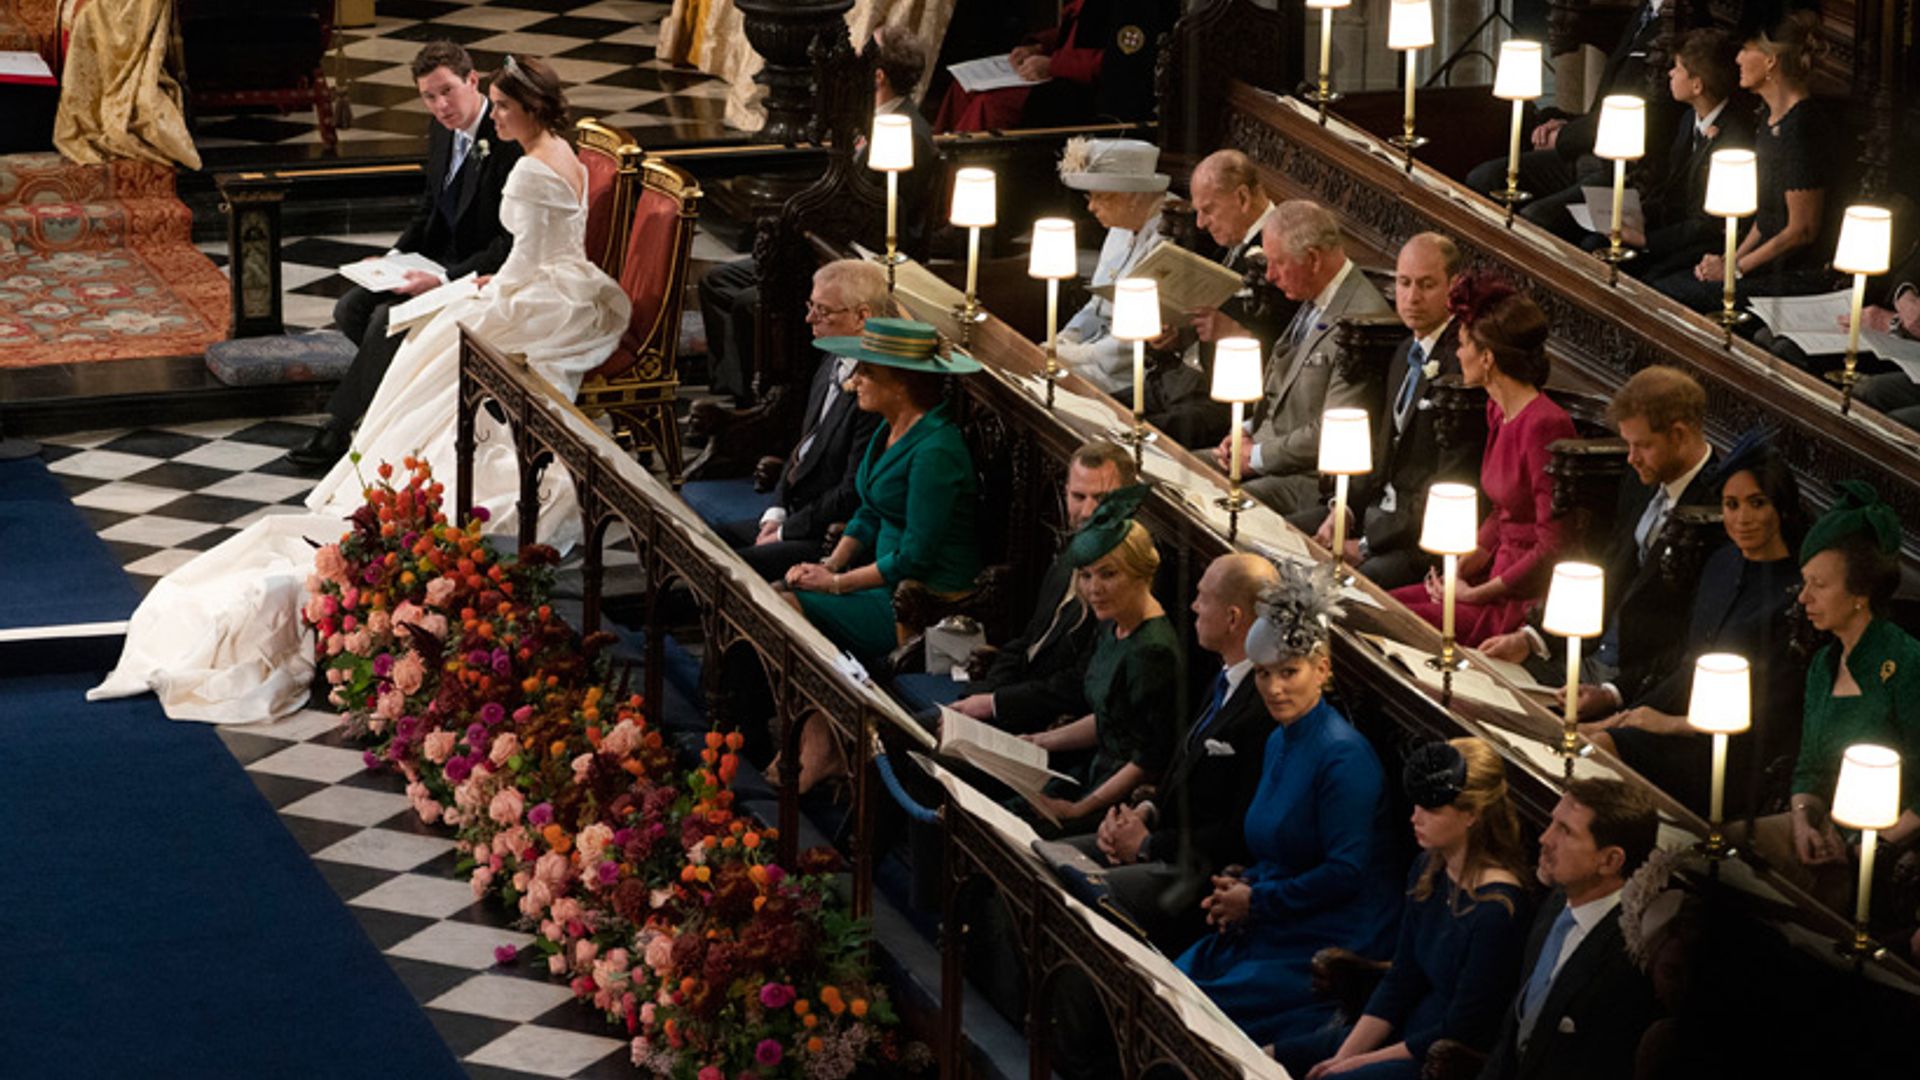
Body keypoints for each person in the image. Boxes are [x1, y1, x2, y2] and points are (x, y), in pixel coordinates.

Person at [93, 56, 631, 723]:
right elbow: (468, 227)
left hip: (534, 290)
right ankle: (361, 431)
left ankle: (372, 444)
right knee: (403, 320)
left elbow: (522, 258)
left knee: (434, 336)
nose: (492, 114)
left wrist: (471, 287)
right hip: (546, 285)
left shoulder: (526, 163)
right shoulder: (557, 152)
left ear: (520, 105)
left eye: (496, 102)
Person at [1176, 561, 1402, 1047]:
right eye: (1262, 675)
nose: (1274, 688)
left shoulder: (1343, 757)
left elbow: (1347, 873)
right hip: (1276, 916)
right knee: (1173, 979)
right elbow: (1276, 847)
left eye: (1289, 672)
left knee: (1198, 1000)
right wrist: (1242, 882)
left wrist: (1256, 900)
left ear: (1322, 668)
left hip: (1330, 934)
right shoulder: (1279, 740)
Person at [290, 41, 521, 469]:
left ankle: (338, 427)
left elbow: (508, 244)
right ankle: (408, 407)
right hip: (436, 262)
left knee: (386, 321)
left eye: (448, 91)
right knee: (350, 309)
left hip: (481, 275)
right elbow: (430, 208)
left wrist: (444, 281)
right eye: (429, 97)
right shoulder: (440, 130)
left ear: (474, 81)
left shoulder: (507, 139)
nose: (440, 106)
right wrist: (392, 257)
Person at [697, 28, 934, 403]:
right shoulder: (869, 117)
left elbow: (886, 216)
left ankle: (751, 403)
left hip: (852, 260)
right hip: (824, 246)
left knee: (749, 302)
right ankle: (728, 388)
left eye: (863, 56)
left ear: (877, 76)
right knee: (717, 283)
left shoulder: (908, 132)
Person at [1272, 739, 1530, 1080]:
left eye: (1432, 810)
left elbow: (1462, 1028)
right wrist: (1345, 1054)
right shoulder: (1428, 868)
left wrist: (1354, 1065)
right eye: (1416, 805)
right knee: (1273, 1055)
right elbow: (1402, 978)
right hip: (1402, 1029)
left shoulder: (1498, 911)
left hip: (1436, 1057)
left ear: (1472, 815)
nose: (1414, 817)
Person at [1060, 552, 1280, 950]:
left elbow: (1237, 831)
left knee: (1080, 893)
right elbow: (1182, 767)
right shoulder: (1223, 678)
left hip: (1192, 871)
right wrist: (1144, 812)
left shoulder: (1263, 709)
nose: (1193, 606)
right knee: (1047, 857)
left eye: (1203, 598)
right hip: (1158, 834)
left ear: (1233, 618)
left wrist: (1146, 845)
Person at [1581, 433, 1806, 818]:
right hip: (1678, 726)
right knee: (1585, 738)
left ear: (1780, 508)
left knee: (1601, 747)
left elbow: (1770, 710)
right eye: (1731, 505)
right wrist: (1622, 710)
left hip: (1729, 754)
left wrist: (1665, 725)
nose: (1742, 519)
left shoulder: (1796, 594)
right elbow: (1688, 663)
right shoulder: (1720, 563)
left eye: (1757, 504)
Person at [1479, 365, 1716, 705]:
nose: (1631, 458)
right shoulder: (1641, 478)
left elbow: (1688, 640)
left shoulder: (1715, 508)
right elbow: (1608, 568)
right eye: (1628, 445)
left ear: (1679, 435)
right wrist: (1532, 637)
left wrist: (1612, 694)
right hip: (1583, 655)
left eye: (1642, 446)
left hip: (1635, 686)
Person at [1747, 482, 1920, 912]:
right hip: (1821, 832)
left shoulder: (1906, 662)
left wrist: (1875, 843)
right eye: (1804, 583)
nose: (1803, 598)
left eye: (1818, 586)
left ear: (1861, 594)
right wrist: (1804, 820)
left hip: (1877, 849)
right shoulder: (1824, 664)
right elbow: (1808, 767)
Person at [782, 318, 981, 666]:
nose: (853, 381)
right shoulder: (889, 430)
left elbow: (914, 556)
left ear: (900, 385)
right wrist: (829, 564)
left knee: (784, 606)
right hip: (878, 583)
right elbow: (870, 511)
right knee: (775, 596)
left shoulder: (936, 452)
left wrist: (836, 583)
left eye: (867, 373)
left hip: (918, 603)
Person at [1390, 276, 1575, 646]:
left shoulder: (1546, 424)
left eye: (1461, 345)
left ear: (1487, 358)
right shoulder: (1496, 409)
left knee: (1396, 625)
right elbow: (1500, 513)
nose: (1457, 355)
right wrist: (1460, 565)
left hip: (1515, 597)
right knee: (1379, 605)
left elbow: (1552, 545)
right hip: (1488, 576)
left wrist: (1478, 593)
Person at [914, 440, 1134, 728]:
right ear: (1065, 494)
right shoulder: (1070, 555)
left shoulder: (1127, 582)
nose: (1088, 512)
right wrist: (988, 691)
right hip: (1010, 700)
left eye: (1102, 499)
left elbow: (1079, 684)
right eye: (1079, 497)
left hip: (1048, 723)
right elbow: (1027, 640)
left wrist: (995, 704)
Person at [1298, 232, 1471, 590]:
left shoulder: (1460, 365)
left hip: (1414, 539)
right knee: (1287, 536)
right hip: (1375, 514)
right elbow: (1381, 449)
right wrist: (1342, 510)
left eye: (1426, 285)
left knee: (1349, 586)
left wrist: (1364, 545)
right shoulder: (1404, 349)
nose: (1411, 298)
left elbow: (1443, 482)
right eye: (1404, 283)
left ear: (1453, 287)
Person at [1019, 486, 1183, 837]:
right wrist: (1038, 742)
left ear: (1143, 574)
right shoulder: (1114, 624)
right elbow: (1110, 717)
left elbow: (1148, 760)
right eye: (1087, 575)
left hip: (1113, 800)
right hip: (1090, 771)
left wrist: (1080, 809)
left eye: (1109, 574)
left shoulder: (1152, 651)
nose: (1093, 589)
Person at [711, 260, 888, 580]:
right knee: (707, 539)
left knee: (728, 572)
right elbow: (802, 446)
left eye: (822, 310)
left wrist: (784, 532)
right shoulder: (831, 358)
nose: (809, 318)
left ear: (862, 316)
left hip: (827, 534)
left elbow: (850, 493)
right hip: (794, 513)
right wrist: (776, 513)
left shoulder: (875, 390)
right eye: (811, 305)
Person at [1648, 12, 1835, 313]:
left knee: (1667, 295)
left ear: (1770, 60)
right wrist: (1730, 261)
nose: (1737, 59)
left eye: (1746, 50)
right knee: (1657, 284)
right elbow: (1765, 220)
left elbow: (1801, 230)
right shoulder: (1770, 118)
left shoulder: (1802, 127)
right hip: (1762, 260)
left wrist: (1736, 271)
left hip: (1794, 272)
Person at [1477, 779, 1662, 1080]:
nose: (1545, 839)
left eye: (1565, 831)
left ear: (1610, 860)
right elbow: (1514, 1036)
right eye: (1552, 823)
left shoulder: (1626, 956)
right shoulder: (1555, 904)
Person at [1216, 200, 1392, 515]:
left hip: (1308, 478)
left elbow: (1331, 430)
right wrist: (1244, 428)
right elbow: (1282, 391)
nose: (1269, 275)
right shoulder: (1314, 294)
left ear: (1311, 259)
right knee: (1171, 467)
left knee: (1226, 508)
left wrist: (1255, 456)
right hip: (1265, 450)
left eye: (1277, 263)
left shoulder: (1362, 320)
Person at [1464, 0, 1675, 232]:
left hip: (1623, 170)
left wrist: (1564, 136)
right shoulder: (1645, 12)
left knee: (1534, 219)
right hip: (1586, 151)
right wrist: (1570, 124)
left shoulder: (1678, 22)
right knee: (1484, 179)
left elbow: (1646, 118)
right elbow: (1609, 101)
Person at [1149, 149, 1295, 448]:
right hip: (1183, 379)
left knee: (1131, 438)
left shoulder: (1278, 251)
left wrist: (1233, 335)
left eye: (1208, 210)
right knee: (1094, 409)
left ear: (1242, 198)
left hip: (1225, 402)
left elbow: (1285, 345)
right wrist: (1178, 333)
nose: (1200, 223)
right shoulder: (1229, 239)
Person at [1617, 30, 1753, 273]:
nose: (1670, 73)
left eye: (1678, 68)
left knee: (1646, 273)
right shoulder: (1689, 117)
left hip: (1706, 243)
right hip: (1675, 226)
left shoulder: (1735, 138)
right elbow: (1671, 188)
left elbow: (1707, 225)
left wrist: (1647, 241)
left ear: (1697, 84)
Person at [932, 0, 1176, 132]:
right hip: (1065, 75)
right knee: (962, 88)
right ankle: (935, 184)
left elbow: (1125, 63)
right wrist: (1040, 46)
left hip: (1098, 96)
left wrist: (1054, 65)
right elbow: (1084, 28)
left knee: (991, 105)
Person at [1053, 138, 1170, 396]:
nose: (1091, 207)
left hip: (1127, 373)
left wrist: (1079, 354)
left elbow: (1140, 334)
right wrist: (1068, 335)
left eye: (1100, 196)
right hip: (1095, 354)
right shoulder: (1120, 225)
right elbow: (1097, 302)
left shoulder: (1167, 235)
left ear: (1132, 196)